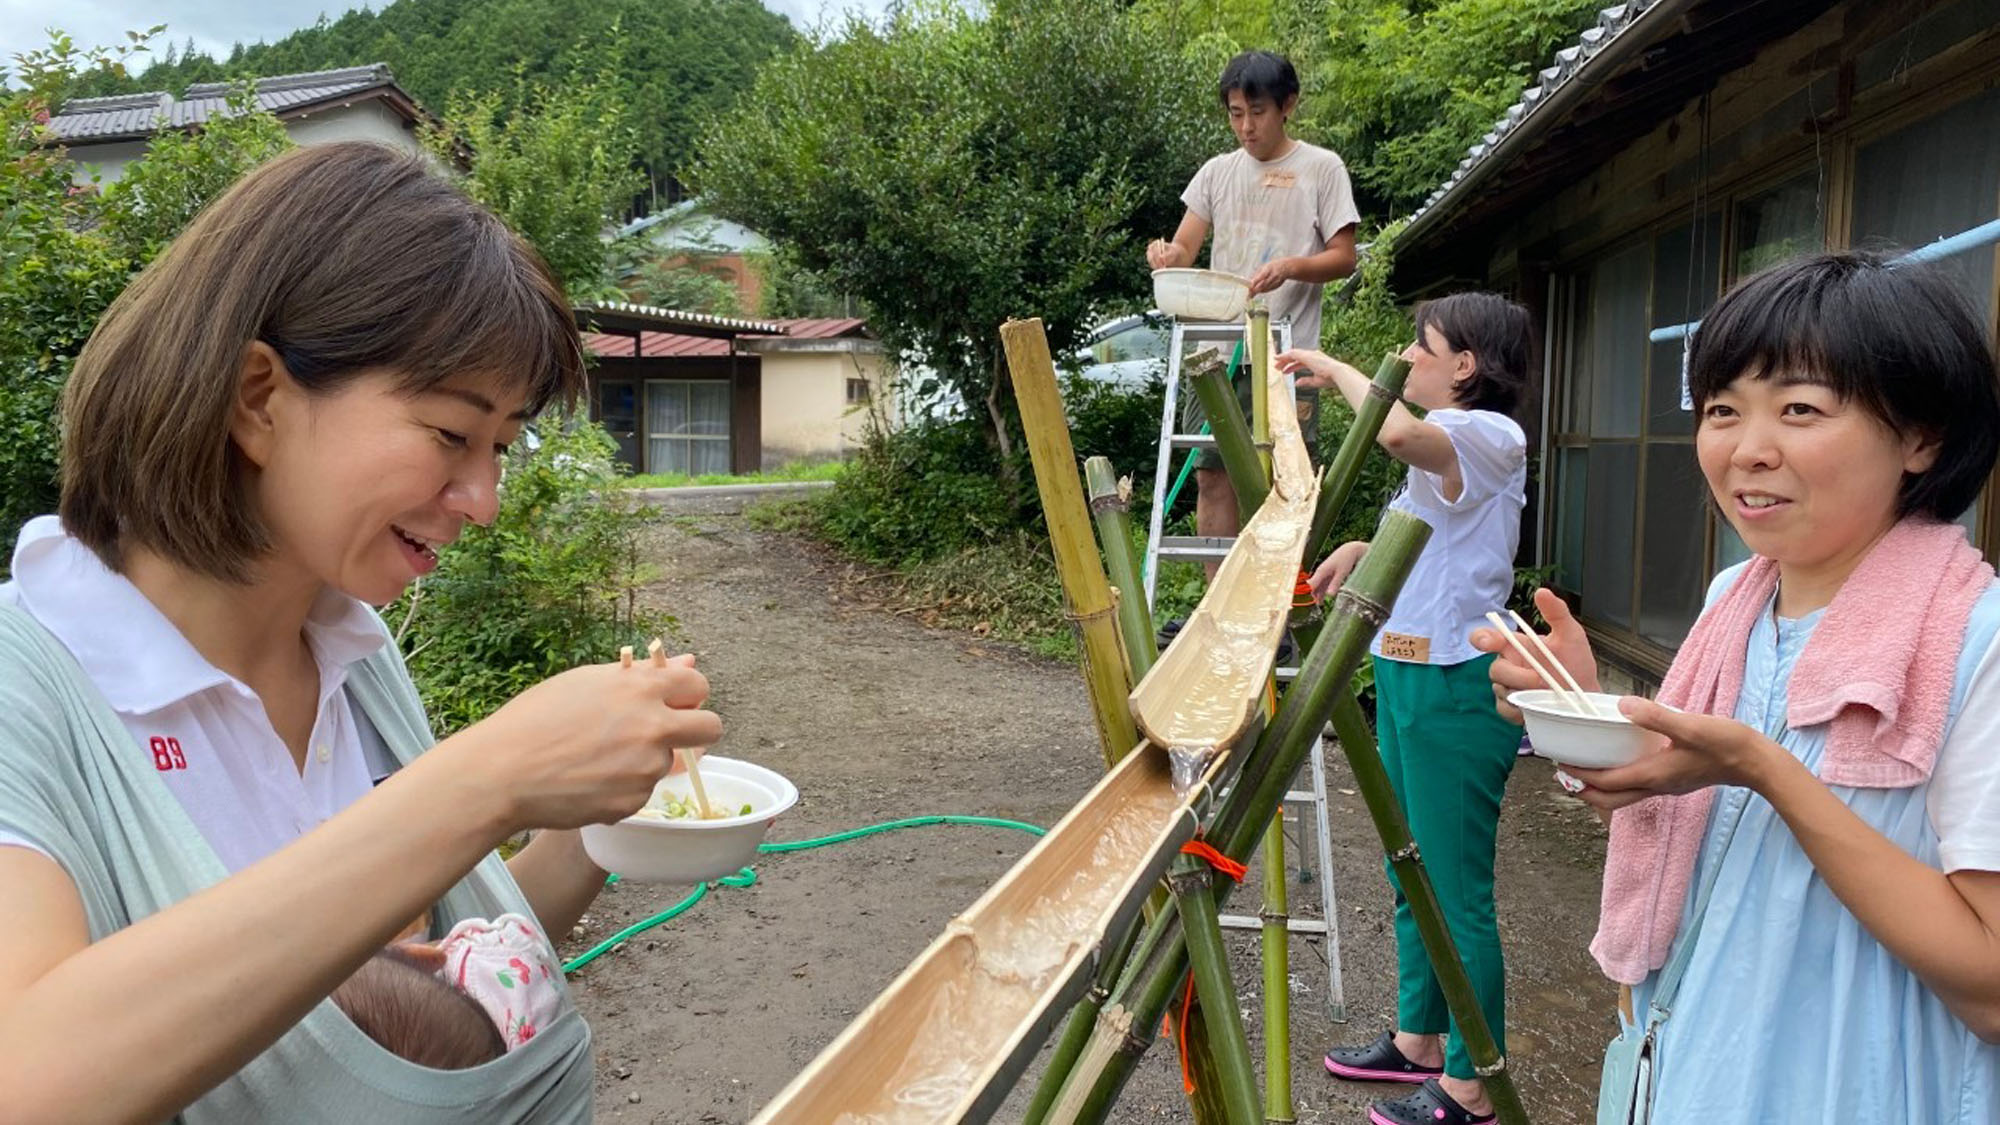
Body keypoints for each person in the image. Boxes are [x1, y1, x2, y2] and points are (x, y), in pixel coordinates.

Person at [0, 141, 721, 1122]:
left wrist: (596, 826)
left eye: (501, 448)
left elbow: (422, 977)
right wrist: (486, 775)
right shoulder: (29, 686)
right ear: (259, 399)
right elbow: (27, 1078)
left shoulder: (348, 648)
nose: (484, 500)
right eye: (450, 435)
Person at [1475, 251, 2000, 1123]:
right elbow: (1692, 817)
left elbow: (1989, 985)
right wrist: (1589, 711)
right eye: (1722, 410)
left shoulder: (1977, 641)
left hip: (1855, 1086)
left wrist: (1764, 767)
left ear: (1921, 436)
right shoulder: (1737, 599)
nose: (1748, 450)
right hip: (1683, 1057)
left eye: (1800, 409)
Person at [1280, 291, 1533, 1125]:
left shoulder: (1489, 433)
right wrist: (1361, 546)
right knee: (1408, 867)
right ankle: (1420, 1038)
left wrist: (1332, 366)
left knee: (1454, 889)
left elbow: (1394, 434)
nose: (1409, 359)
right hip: (1403, 670)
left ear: (1466, 365)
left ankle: (1473, 1084)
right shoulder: (1449, 450)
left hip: (1455, 683)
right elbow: (1437, 528)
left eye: (1419, 349)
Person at [1147, 49, 1360, 585]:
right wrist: (1165, 256)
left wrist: (1292, 266)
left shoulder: (1321, 168)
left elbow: (1344, 256)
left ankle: (1280, 615)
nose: (1246, 126)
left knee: (1284, 487)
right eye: (1236, 113)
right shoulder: (1217, 173)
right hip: (1214, 351)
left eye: (1257, 112)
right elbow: (1185, 248)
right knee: (1212, 478)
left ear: (1287, 105)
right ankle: (1216, 608)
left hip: (1287, 355)